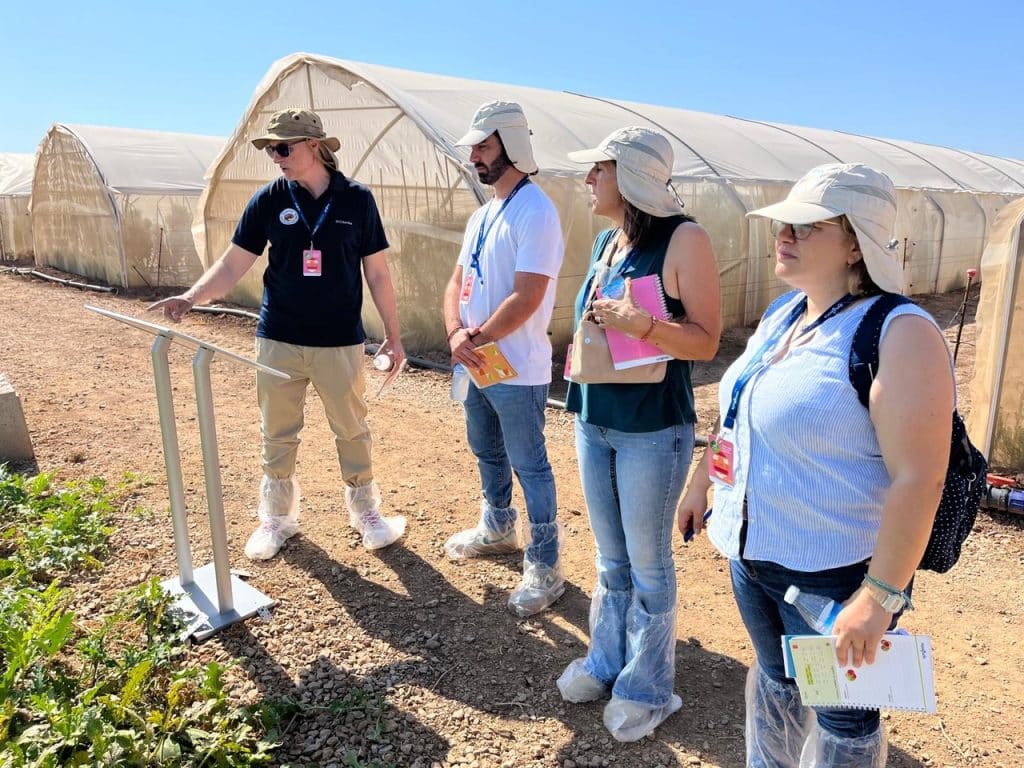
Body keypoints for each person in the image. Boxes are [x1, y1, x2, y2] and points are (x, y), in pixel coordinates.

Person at [676, 163, 954, 766]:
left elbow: (920, 476)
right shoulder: (786, 314)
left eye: (807, 227)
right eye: (785, 224)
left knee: (841, 717)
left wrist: (877, 599)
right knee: (777, 680)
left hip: (832, 574)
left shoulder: (898, 332)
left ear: (856, 242)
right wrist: (702, 483)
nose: (785, 235)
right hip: (754, 556)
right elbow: (738, 412)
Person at [150, 108, 407, 560]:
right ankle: (276, 518)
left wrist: (393, 335)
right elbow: (232, 264)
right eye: (271, 149)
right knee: (277, 433)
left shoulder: (356, 200)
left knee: (351, 429)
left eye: (283, 148)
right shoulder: (269, 200)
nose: (275, 156)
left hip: (339, 341)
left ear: (314, 146)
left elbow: (378, 274)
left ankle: (366, 513)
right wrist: (190, 297)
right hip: (279, 338)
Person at [555, 127, 721, 741]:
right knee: (610, 558)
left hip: (652, 427)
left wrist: (644, 324)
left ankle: (648, 686)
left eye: (596, 170)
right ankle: (606, 661)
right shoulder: (607, 242)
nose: (588, 181)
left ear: (627, 177)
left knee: (648, 563)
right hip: (594, 418)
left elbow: (705, 340)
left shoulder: (686, 239)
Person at [441, 101, 565, 618]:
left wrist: (477, 338)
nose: (474, 156)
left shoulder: (537, 211)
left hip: (515, 366)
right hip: (477, 361)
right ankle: (497, 526)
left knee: (529, 463)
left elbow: (529, 294)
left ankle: (545, 562)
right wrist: (454, 333)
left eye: (484, 146)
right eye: (473, 148)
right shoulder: (483, 213)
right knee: (486, 449)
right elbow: (456, 280)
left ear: (512, 147)